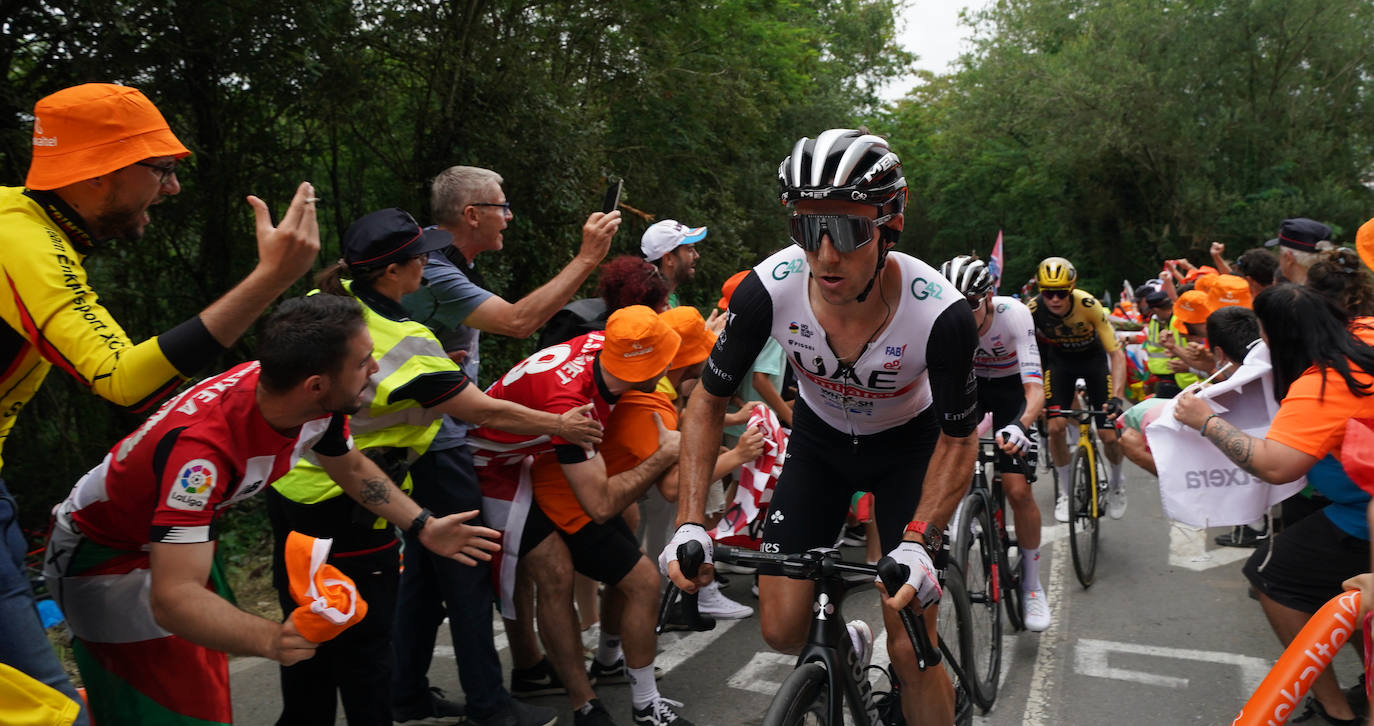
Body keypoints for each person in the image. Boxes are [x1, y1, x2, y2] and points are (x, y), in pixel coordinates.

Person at [0, 82, 322, 724]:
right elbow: (125, 381)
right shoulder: (22, 242)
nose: (172, 189)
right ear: (100, 174)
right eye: (162, 169)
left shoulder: (36, 231)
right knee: (48, 712)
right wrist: (270, 281)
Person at [41, 295, 503, 726]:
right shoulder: (202, 456)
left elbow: (350, 466)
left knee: (207, 692)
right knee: (166, 709)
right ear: (315, 384)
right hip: (103, 555)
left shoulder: (309, 399)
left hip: (164, 539)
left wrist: (422, 525)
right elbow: (173, 598)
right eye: (364, 362)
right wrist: (271, 639)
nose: (376, 368)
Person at [661, 128, 980, 726]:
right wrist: (687, 523)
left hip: (906, 452)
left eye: (849, 228)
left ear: (889, 226)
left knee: (912, 647)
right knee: (781, 630)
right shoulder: (768, 288)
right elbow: (706, 401)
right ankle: (848, 645)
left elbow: (960, 438)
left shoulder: (940, 312)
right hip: (820, 446)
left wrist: (919, 537)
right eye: (808, 227)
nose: (827, 253)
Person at [268, 210, 597, 726]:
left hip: (294, 491)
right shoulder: (408, 344)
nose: (429, 262)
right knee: (366, 652)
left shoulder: (326, 305)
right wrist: (562, 426)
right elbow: (483, 410)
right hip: (351, 506)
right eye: (421, 255)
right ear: (394, 273)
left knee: (309, 643)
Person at [394, 165, 620, 717]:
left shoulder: (446, 263)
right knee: (469, 571)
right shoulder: (438, 271)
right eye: (502, 207)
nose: (510, 218)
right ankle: (491, 705)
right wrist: (588, 257)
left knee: (425, 576)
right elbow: (519, 322)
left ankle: (403, 691)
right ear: (472, 215)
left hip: (427, 432)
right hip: (437, 438)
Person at [469, 306, 688, 726]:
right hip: (490, 469)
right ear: (642, 366)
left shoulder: (603, 350)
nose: (671, 367)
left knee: (626, 523)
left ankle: (599, 662)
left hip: (529, 456)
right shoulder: (575, 406)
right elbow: (600, 504)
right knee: (554, 570)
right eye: (665, 359)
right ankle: (583, 702)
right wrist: (663, 454)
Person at [1174, 284, 1374, 724]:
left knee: (1270, 576)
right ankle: (1367, 681)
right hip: (1355, 502)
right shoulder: (1363, 333)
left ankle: (1333, 710)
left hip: (1361, 512)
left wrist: (1205, 421)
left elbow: (1275, 464)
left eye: (1263, 334)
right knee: (1351, 588)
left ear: (1281, 337)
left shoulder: (1322, 384)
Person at [940, 255, 1051, 631]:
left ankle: (1033, 587)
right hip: (971, 389)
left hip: (1010, 392)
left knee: (1018, 491)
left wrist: (1020, 425)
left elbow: (1035, 390)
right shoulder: (941, 319)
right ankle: (966, 509)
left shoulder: (1014, 314)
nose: (959, 313)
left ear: (988, 298)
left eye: (968, 304)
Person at [1027, 257, 1128, 520]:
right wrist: (1032, 395)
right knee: (1056, 427)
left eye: (1061, 293)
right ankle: (1065, 492)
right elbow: (1027, 353)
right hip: (1060, 364)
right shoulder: (1032, 310)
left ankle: (1117, 484)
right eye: (1048, 293)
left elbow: (1116, 355)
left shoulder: (1089, 305)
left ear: (1071, 290)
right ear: (1041, 291)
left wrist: (1118, 397)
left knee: (1108, 435)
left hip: (1094, 363)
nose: (1055, 300)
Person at [641, 220, 707, 308]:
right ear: (668, 259)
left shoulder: (667, 298)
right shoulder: (653, 306)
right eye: (690, 250)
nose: (696, 256)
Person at [1265, 217, 1333, 285]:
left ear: (1289, 258)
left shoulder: (1288, 295)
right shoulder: (1336, 290)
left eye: (1280, 253)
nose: (1279, 258)